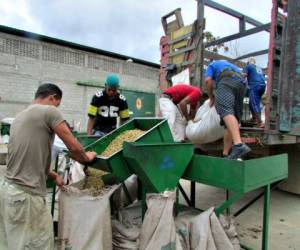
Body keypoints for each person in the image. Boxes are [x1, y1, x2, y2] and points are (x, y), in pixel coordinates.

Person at [0, 83, 97, 250]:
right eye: (57, 103)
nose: (57, 108)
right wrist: (87, 158)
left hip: (8, 191)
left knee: (12, 243)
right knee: (39, 243)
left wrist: (53, 176)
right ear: (52, 97)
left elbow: (30, 157)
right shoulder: (49, 111)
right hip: (26, 196)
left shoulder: (19, 117)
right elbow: (73, 147)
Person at [205, 60, 251, 160]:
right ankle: (226, 154)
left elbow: (208, 81)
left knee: (225, 110)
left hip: (226, 80)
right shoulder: (229, 65)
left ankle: (239, 145)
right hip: (241, 85)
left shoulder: (211, 65)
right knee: (230, 121)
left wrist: (211, 97)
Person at [243, 57, 266, 127]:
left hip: (254, 85)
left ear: (248, 62)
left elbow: (244, 75)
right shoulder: (259, 68)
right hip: (263, 86)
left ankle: (260, 122)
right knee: (253, 102)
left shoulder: (247, 66)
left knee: (254, 103)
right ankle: (254, 118)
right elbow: (262, 76)